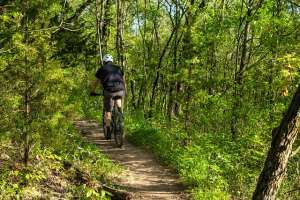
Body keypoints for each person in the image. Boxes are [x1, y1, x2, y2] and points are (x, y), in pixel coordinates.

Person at [90, 54, 125, 138]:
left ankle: (108, 129)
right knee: (118, 98)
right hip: (120, 89)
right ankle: (120, 112)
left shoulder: (102, 69)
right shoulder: (118, 68)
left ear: (104, 61)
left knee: (108, 110)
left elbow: (96, 82)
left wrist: (92, 91)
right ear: (111, 61)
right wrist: (125, 91)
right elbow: (123, 80)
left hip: (109, 90)